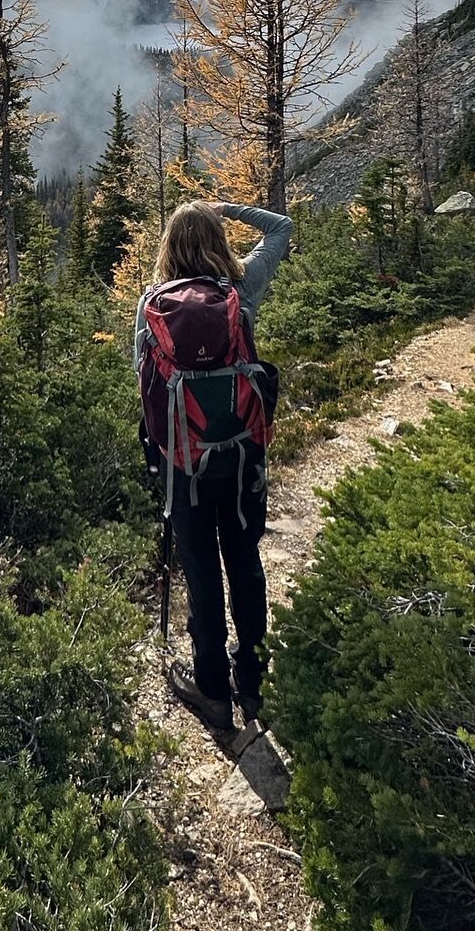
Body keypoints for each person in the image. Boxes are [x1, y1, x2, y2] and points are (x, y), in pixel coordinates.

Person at [134, 198, 291, 732]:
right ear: (219, 242)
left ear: (168, 248)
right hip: (244, 455)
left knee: (202, 573)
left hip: (183, 464)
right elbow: (282, 228)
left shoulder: (152, 304)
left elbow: (143, 382)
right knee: (245, 561)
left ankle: (214, 694)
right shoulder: (241, 291)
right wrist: (229, 207)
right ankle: (254, 680)